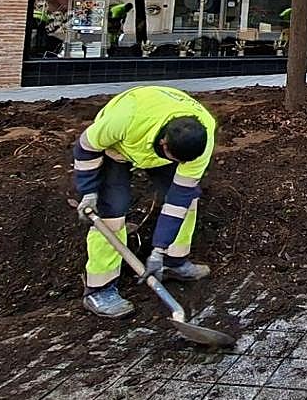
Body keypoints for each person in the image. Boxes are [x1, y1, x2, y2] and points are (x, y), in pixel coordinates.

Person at [73, 85, 216, 318]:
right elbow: (85, 147)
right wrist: (88, 192)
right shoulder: (124, 119)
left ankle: (173, 261)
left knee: (188, 200)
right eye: (175, 158)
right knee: (112, 215)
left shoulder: (203, 138)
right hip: (118, 147)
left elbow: (178, 199)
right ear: (164, 144)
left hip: (160, 150)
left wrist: (158, 250)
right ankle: (99, 290)